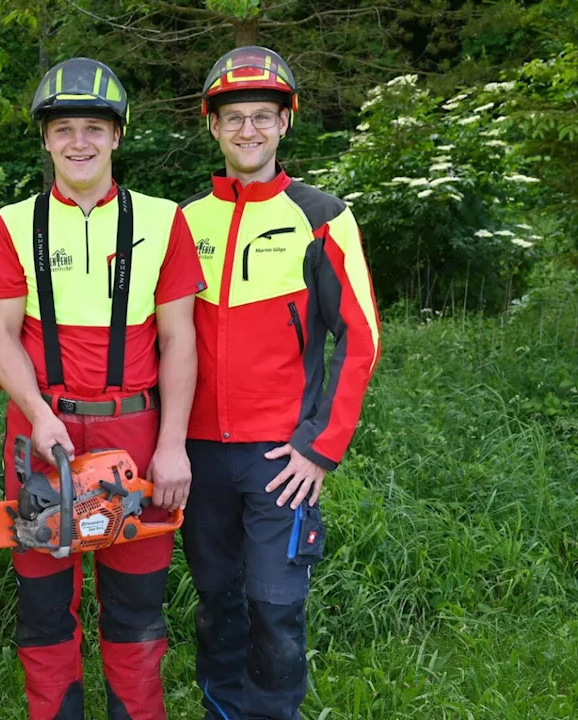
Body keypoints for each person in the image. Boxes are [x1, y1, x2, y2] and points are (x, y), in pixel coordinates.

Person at [0, 58, 205, 719]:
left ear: (118, 136)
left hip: (134, 428)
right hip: (39, 434)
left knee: (135, 610)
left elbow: (179, 341)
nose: (80, 142)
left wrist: (174, 447)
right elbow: (0, 336)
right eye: (65, 129)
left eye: (95, 129)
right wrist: (37, 413)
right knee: (46, 608)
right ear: (46, 139)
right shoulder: (12, 224)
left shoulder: (164, 220)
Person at [178, 46, 382, 720]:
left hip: (280, 458)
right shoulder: (182, 221)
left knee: (275, 609)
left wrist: (320, 447)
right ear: (213, 126)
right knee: (218, 603)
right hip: (198, 456)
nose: (247, 131)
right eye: (233, 118)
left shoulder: (322, 215)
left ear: (284, 123)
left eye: (261, 117)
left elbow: (362, 337)